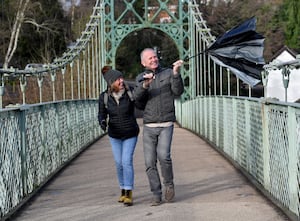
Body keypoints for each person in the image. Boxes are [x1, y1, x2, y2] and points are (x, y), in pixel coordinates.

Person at [134, 48, 184, 206]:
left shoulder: (168, 73)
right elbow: (137, 100)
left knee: (164, 156)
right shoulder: (140, 78)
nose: (153, 59)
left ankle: (169, 184)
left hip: (166, 123)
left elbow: (178, 91)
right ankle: (156, 194)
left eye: (155, 56)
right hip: (149, 125)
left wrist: (176, 73)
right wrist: (145, 85)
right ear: (143, 62)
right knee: (149, 162)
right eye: (149, 58)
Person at [98, 68, 139, 206]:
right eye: (118, 79)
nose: (121, 81)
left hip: (130, 133)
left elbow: (141, 99)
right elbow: (101, 113)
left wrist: (145, 84)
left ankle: (128, 192)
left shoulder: (130, 92)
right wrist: (102, 121)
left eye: (121, 77)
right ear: (111, 83)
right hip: (114, 134)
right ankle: (122, 188)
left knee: (126, 161)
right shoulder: (104, 97)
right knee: (118, 163)